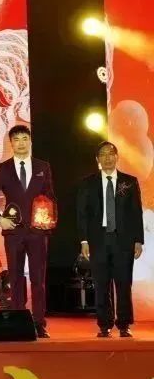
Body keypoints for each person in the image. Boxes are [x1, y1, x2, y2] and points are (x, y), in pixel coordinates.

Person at [0, 125, 55, 338]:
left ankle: (39, 323)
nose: (21, 143)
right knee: (15, 277)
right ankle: (18, 321)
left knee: (38, 279)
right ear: (11, 143)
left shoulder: (43, 167)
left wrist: (49, 223)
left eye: (24, 138)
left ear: (30, 141)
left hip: (38, 232)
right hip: (13, 233)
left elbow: (50, 198)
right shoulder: (3, 168)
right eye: (16, 139)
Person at [77, 141, 144, 338]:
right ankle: (104, 324)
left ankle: (124, 324)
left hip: (123, 240)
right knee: (101, 284)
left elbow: (136, 212)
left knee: (123, 283)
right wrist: (84, 241)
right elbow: (82, 213)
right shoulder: (88, 183)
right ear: (97, 159)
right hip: (98, 240)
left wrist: (138, 240)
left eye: (111, 153)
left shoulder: (129, 182)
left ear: (117, 157)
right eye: (103, 154)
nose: (107, 157)